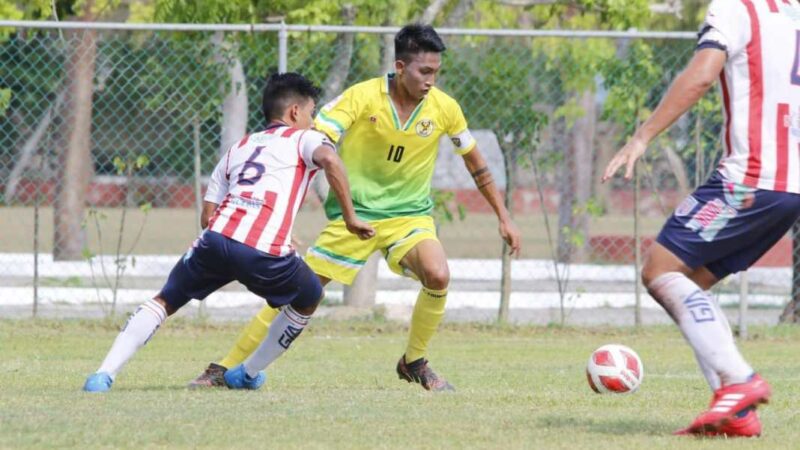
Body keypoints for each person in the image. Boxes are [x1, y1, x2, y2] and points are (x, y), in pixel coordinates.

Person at [189, 23, 522, 392]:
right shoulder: (363, 96)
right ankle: (224, 367)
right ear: (400, 66)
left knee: (438, 274)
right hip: (355, 218)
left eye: (436, 72)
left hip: (409, 216)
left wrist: (504, 217)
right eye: (423, 71)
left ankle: (414, 361)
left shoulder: (445, 108)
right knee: (295, 291)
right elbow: (314, 140)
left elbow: (476, 163)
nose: (431, 80)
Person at [82, 72, 375, 392]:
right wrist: (350, 218)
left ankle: (102, 374)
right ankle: (247, 373)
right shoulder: (305, 138)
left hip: (215, 240)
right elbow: (331, 160)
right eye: (311, 113)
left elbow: (208, 216)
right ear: (294, 113)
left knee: (165, 300)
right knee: (309, 296)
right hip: (263, 251)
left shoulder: (241, 146)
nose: (313, 120)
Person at [603, 0, 800, 437]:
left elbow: (702, 74)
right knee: (690, 285)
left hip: (748, 180)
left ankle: (739, 380)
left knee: (659, 270)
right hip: (789, 188)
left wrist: (641, 137)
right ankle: (736, 414)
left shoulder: (737, 7)